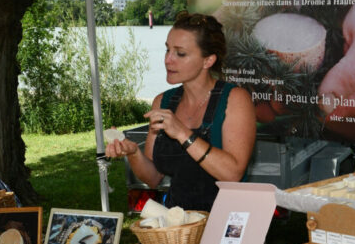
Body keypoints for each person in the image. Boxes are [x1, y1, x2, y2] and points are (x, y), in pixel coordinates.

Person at [105, 11, 256, 211]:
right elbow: (153, 178)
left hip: (228, 222)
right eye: (167, 50)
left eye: (180, 53)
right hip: (180, 225)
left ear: (208, 61)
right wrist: (133, 153)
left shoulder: (235, 99)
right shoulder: (163, 102)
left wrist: (183, 133)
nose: (168, 60)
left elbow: (233, 174)